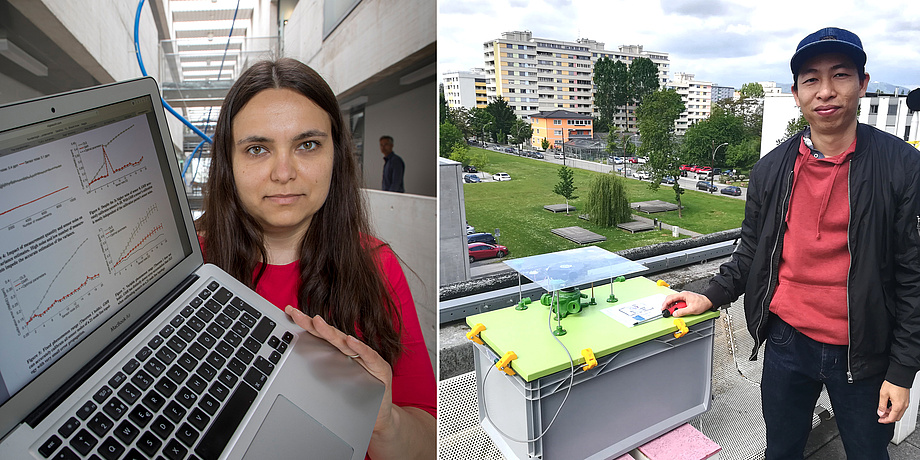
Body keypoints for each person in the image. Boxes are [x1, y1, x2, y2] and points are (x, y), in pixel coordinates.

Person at [664, 27, 920, 460]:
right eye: (811, 79)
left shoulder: (901, 166)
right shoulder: (770, 170)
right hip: (787, 343)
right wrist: (709, 296)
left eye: (840, 75)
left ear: (863, 83)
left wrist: (902, 371)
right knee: (781, 450)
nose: (826, 91)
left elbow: (912, 276)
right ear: (796, 92)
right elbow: (751, 253)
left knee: (867, 453)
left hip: (865, 351)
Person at [196, 58, 435, 459]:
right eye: (258, 149)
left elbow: (429, 441)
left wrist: (385, 422)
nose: (284, 172)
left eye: (307, 145)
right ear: (228, 163)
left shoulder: (376, 266)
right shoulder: (192, 269)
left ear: (336, 155)